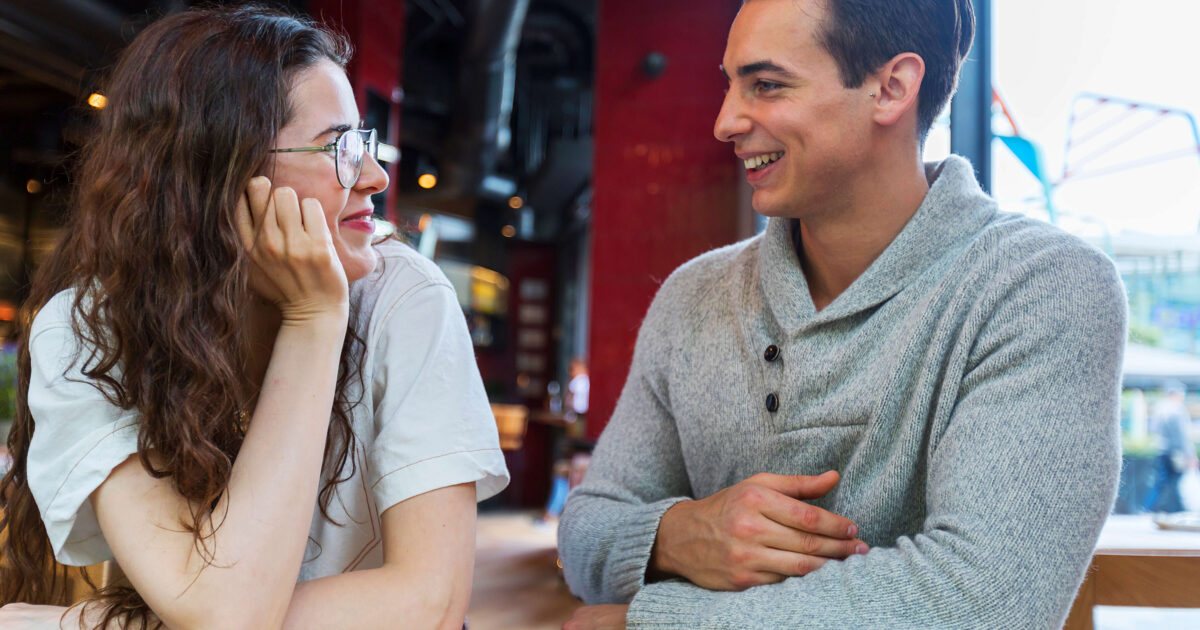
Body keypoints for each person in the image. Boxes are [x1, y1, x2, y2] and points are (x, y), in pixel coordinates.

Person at [557, 0, 1126, 627]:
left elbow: (982, 602)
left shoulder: (1043, 287)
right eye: (730, 84)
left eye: (766, 84)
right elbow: (586, 532)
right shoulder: (693, 297)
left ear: (891, 88)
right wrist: (677, 533)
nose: (724, 121)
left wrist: (649, 622)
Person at [0, 6, 508, 629]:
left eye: (365, 144)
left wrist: (84, 626)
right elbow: (224, 613)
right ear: (216, 173)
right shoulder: (86, 332)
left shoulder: (404, 296)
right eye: (337, 149)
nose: (374, 176)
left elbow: (430, 604)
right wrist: (312, 318)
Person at [1144, 382, 1197, 513]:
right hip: (1175, 452)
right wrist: (1190, 455)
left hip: (1162, 450)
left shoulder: (1161, 408)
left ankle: (1151, 507)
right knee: (1173, 481)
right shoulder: (1177, 410)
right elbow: (1182, 436)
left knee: (1163, 481)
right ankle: (1174, 508)